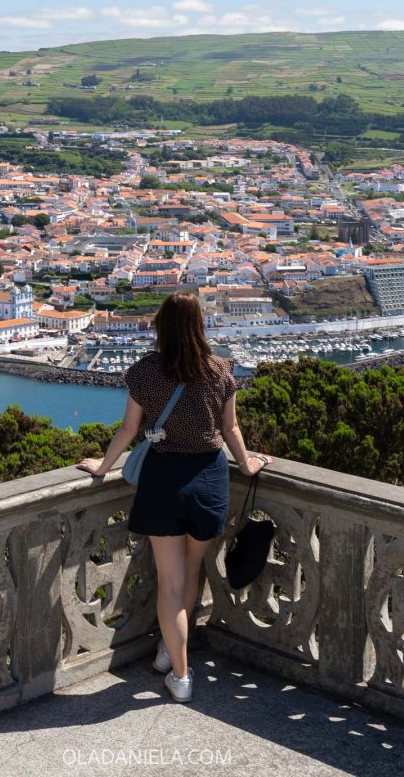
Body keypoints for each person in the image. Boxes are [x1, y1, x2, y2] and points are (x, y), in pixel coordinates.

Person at [76, 292, 271, 703]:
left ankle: (180, 675)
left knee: (170, 582)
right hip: (209, 479)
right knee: (192, 570)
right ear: (199, 325)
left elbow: (129, 430)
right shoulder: (221, 371)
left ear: (162, 326)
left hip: (164, 481)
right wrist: (247, 464)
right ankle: (171, 649)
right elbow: (230, 429)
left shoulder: (144, 373)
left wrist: (103, 467)